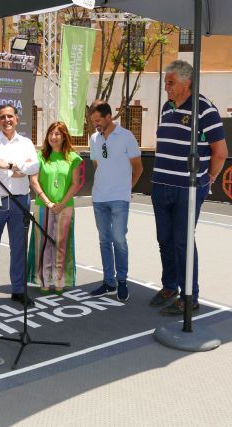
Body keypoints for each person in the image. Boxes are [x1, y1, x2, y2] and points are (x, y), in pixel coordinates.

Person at [150, 60, 228, 315]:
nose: (166, 88)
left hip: (189, 189)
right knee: (165, 240)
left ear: (187, 82)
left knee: (183, 241)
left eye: (170, 83)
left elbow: (220, 153)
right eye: (165, 83)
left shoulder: (206, 110)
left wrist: (208, 180)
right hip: (161, 185)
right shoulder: (166, 108)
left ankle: (189, 296)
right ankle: (170, 286)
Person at [0, 103, 39, 307]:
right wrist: (19, 168)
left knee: (19, 247)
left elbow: (34, 166)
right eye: (2, 117)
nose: (6, 120)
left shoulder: (26, 142)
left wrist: (9, 164)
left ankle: (18, 290)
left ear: (17, 119)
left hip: (20, 200)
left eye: (10, 116)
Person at [88, 101, 143, 302]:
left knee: (119, 239)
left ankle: (122, 281)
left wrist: (126, 189)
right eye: (93, 121)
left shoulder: (127, 136)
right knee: (104, 240)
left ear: (109, 116)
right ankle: (108, 282)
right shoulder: (94, 138)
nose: (95, 124)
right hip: (99, 198)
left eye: (98, 120)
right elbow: (98, 165)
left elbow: (138, 168)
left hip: (119, 198)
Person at [27, 122, 82, 295]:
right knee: (43, 244)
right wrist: (48, 202)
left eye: (58, 133)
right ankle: (44, 280)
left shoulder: (73, 157)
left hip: (65, 208)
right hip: (44, 207)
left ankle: (59, 280)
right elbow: (33, 181)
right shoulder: (40, 156)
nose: (53, 137)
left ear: (64, 136)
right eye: (51, 133)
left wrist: (62, 203)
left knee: (61, 244)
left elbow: (75, 184)